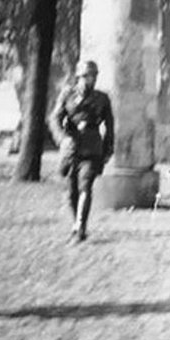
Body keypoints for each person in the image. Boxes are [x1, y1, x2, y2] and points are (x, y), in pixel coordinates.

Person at [50, 60, 114, 243]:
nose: (90, 80)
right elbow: (54, 118)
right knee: (71, 192)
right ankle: (76, 224)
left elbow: (110, 125)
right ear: (78, 77)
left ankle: (79, 228)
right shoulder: (67, 94)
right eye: (86, 76)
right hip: (71, 148)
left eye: (93, 76)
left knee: (85, 186)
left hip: (92, 147)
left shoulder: (102, 98)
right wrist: (62, 138)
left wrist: (109, 148)